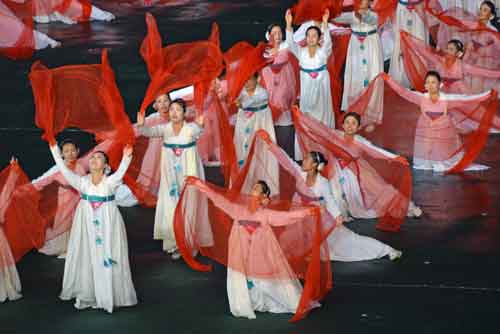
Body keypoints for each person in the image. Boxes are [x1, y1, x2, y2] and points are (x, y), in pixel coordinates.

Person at [49, 142, 137, 313]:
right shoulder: (82, 182)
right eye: (92, 157)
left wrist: (126, 156)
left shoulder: (111, 182)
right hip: (87, 224)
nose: (94, 159)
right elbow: (64, 170)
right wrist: (54, 150)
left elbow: (121, 171)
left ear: (106, 166)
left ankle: (108, 294)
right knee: (88, 255)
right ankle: (89, 291)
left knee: (108, 255)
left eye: (99, 157)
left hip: (108, 223)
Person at [137, 98, 209, 258]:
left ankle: (189, 243)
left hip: (188, 174)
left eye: (178, 110)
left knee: (188, 205)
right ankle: (175, 243)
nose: (174, 113)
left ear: (184, 113)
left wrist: (200, 124)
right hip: (170, 177)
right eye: (172, 110)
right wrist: (141, 125)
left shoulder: (190, 129)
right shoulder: (165, 129)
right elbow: (149, 132)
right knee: (171, 205)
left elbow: (199, 130)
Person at [334, 0, 384, 111]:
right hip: (355, 47)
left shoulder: (375, 15)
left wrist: (361, 13)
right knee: (355, 77)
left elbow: (370, 18)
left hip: (372, 47)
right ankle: (355, 111)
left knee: (373, 77)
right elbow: (336, 17)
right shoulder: (352, 15)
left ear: (370, 2)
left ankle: (372, 114)